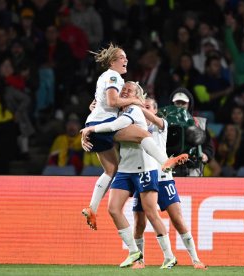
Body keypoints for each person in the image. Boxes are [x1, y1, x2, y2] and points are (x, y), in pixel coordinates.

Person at [80, 44, 188, 230]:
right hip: (104, 127)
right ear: (113, 61)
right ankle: (166, 161)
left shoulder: (104, 77)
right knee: (142, 134)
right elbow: (113, 102)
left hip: (95, 123)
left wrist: (89, 127)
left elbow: (104, 103)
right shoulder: (114, 77)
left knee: (110, 170)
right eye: (122, 57)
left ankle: (92, 208)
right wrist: (135, 101)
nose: (126, 60)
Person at [82, 82, 178, 269]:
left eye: (130, 90)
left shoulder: (134, 110)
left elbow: (119, 125)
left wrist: (92, 129)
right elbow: (106, 117)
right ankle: (134, 252)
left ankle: (169, 256)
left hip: (145, 168)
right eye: (123, 89)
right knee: (113, 209)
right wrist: (94, 115)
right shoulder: (115, 111)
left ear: (137, 96)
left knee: (150, 213)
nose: (125, 91)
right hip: (126, 168)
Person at [131, 96, 207, 270]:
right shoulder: (134, 128)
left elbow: (155, 121)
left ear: (155, 110)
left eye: (148, 107)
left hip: (163, 178)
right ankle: (140, 260)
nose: (144, 109)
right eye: (142, 106)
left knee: (177, 219)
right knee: (139, 223)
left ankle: (195, 259)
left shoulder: (160, 125)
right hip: (142, 176)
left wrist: (136, 106)